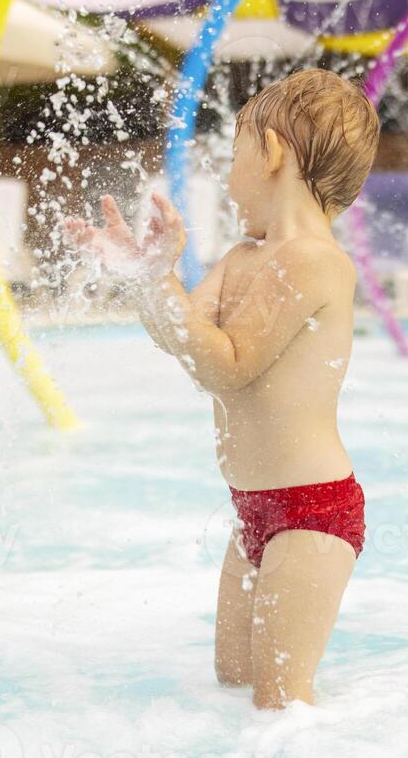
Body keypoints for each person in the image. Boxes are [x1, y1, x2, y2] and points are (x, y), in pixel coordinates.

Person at [66, 68, 380, 709]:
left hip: (311, 514)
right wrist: (143, 279)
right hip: (254, 513)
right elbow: (181, 340)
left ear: (270, 154)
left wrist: (158, 285)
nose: (229, 180)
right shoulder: (243, 258)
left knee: (282, 705)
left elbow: (228, 364)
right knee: (233, 683)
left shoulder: (316, 261)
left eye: (232, 159)